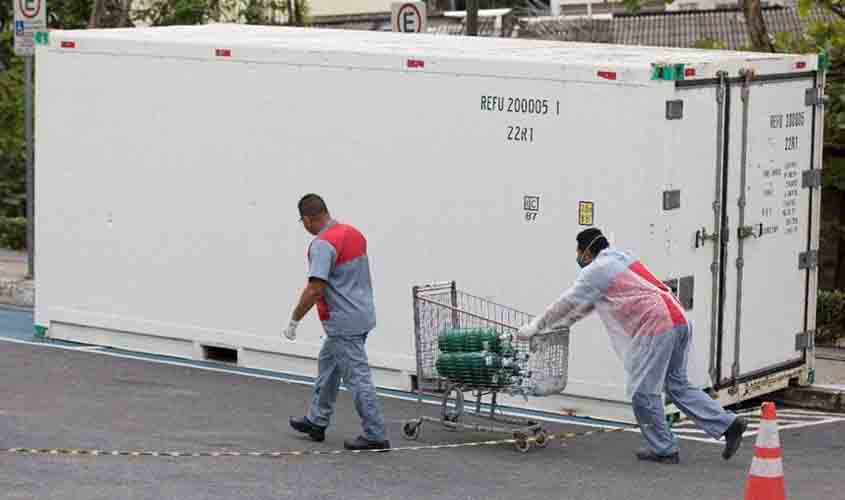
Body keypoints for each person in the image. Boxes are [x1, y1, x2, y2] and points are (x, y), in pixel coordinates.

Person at [517, 227, 747, 464]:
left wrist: (535, 326)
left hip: (658, 325)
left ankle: (664, 449)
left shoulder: (597, 270)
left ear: (587, 252)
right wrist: (561, 324)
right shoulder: (620, 257)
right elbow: (586, 306)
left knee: (643, 392)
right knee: (676, 385)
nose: (578, 256)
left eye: (578, 251)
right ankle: (729, 425)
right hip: (678, 319)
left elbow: (566, 304)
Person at [283, 193, 390, 451]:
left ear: (307, 219)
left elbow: (315, 288)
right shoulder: (353, 233)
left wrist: (294, 320)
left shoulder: (322, 245)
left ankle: (375, 434)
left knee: (358, 377)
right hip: (362, 314)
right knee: (329, 364)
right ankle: (316, 421)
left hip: (343, 322)